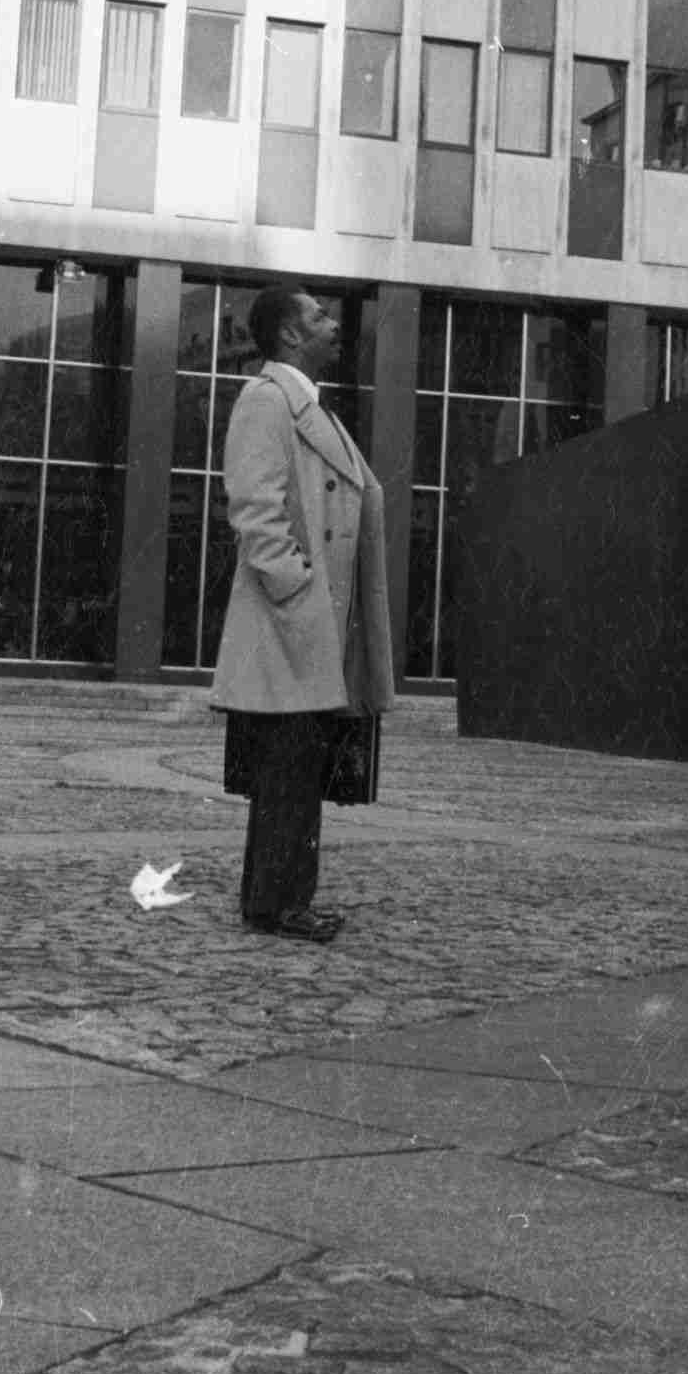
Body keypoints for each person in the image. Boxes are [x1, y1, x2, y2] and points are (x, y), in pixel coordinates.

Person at [211, 285, 391, 943]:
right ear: (288, 335)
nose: (332, 323)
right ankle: (274, 904)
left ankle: (283, 900)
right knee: (287, 773)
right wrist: (297, 589)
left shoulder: (305, 405)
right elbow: (254, 508)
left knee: (299, 773)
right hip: (292, 627)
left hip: (312, 627)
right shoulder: (267, 400)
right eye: (318, 316)